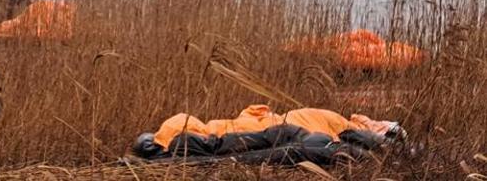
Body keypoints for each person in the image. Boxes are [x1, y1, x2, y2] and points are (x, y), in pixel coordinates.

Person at [132, 105, 406, 165]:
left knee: (219, 147)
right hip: (293, 132)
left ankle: (165, 154)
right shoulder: (346, 131)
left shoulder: (345, 136)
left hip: (294, 134)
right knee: (219, 146)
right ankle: (168, 152)